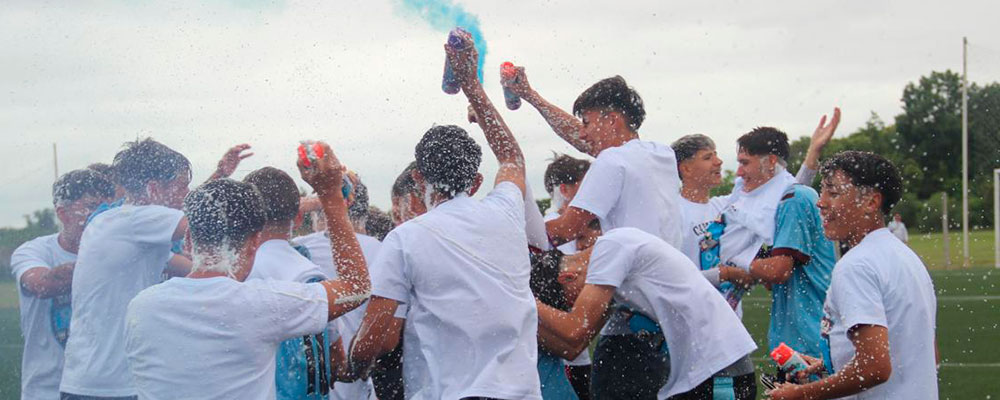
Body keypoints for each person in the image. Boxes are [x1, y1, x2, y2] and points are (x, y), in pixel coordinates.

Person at [346, 38, 542, 399]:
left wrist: (352, 366)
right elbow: (512, 158)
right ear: (476, 181)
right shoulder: (507, 212)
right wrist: (471, 84)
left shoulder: (405, 238)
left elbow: (372, 340)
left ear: (418, 178)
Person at [124, 142, 371, 399]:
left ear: (187, 242)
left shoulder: (141, 307)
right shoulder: (261, 304)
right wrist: (331, 196)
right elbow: (356, 287)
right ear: (255, 242)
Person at [59, 139, 250, 399]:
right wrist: (297, 207)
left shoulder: (114, 222)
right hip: (111, 387)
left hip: (90, 379)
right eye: (182, 186)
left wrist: (218, 176)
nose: (187, 193)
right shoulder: (139, 220)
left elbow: (192, 259)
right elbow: (210, 220)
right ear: (153, 189)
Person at [768, 151, 938, 399]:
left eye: (833, 193)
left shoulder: (856, 265)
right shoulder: (906, 257)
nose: (820, 203)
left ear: (871, 202)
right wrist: (831, 363)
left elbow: (874, 368)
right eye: (822, 191)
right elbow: (923, 351)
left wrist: (800, 393)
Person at [535, 228, 758, 399]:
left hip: (719, 371)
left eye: (571, 301)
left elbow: (575, 329)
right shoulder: (615, 265)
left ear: (568, 277)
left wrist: (524, 298)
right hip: (702, 374)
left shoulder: (610, 248)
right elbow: (572, 348)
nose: (578, 305)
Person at [504, 70, 683, 249]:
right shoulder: (663, 153)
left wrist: (503, 235)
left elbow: (564, 231)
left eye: (586, 123)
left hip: (637, 267)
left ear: (612, 120)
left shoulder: (612, 160)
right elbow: (584, 138)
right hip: (673, 263)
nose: (582, 134)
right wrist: (531, 96)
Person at [10, 169, 115, 400]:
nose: (101, 216)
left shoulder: (123, 250)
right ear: (63, 213)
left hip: (106, 390)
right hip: (46, 392)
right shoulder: (34, 251)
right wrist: (106, 260)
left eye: (108, 208)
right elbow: (41, 285)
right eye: (92, 206)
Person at [242, 167, 339, 400]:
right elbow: (336, 358)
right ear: (298, 217)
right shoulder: (314, 274)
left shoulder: (243, 275)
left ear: (245, 218)